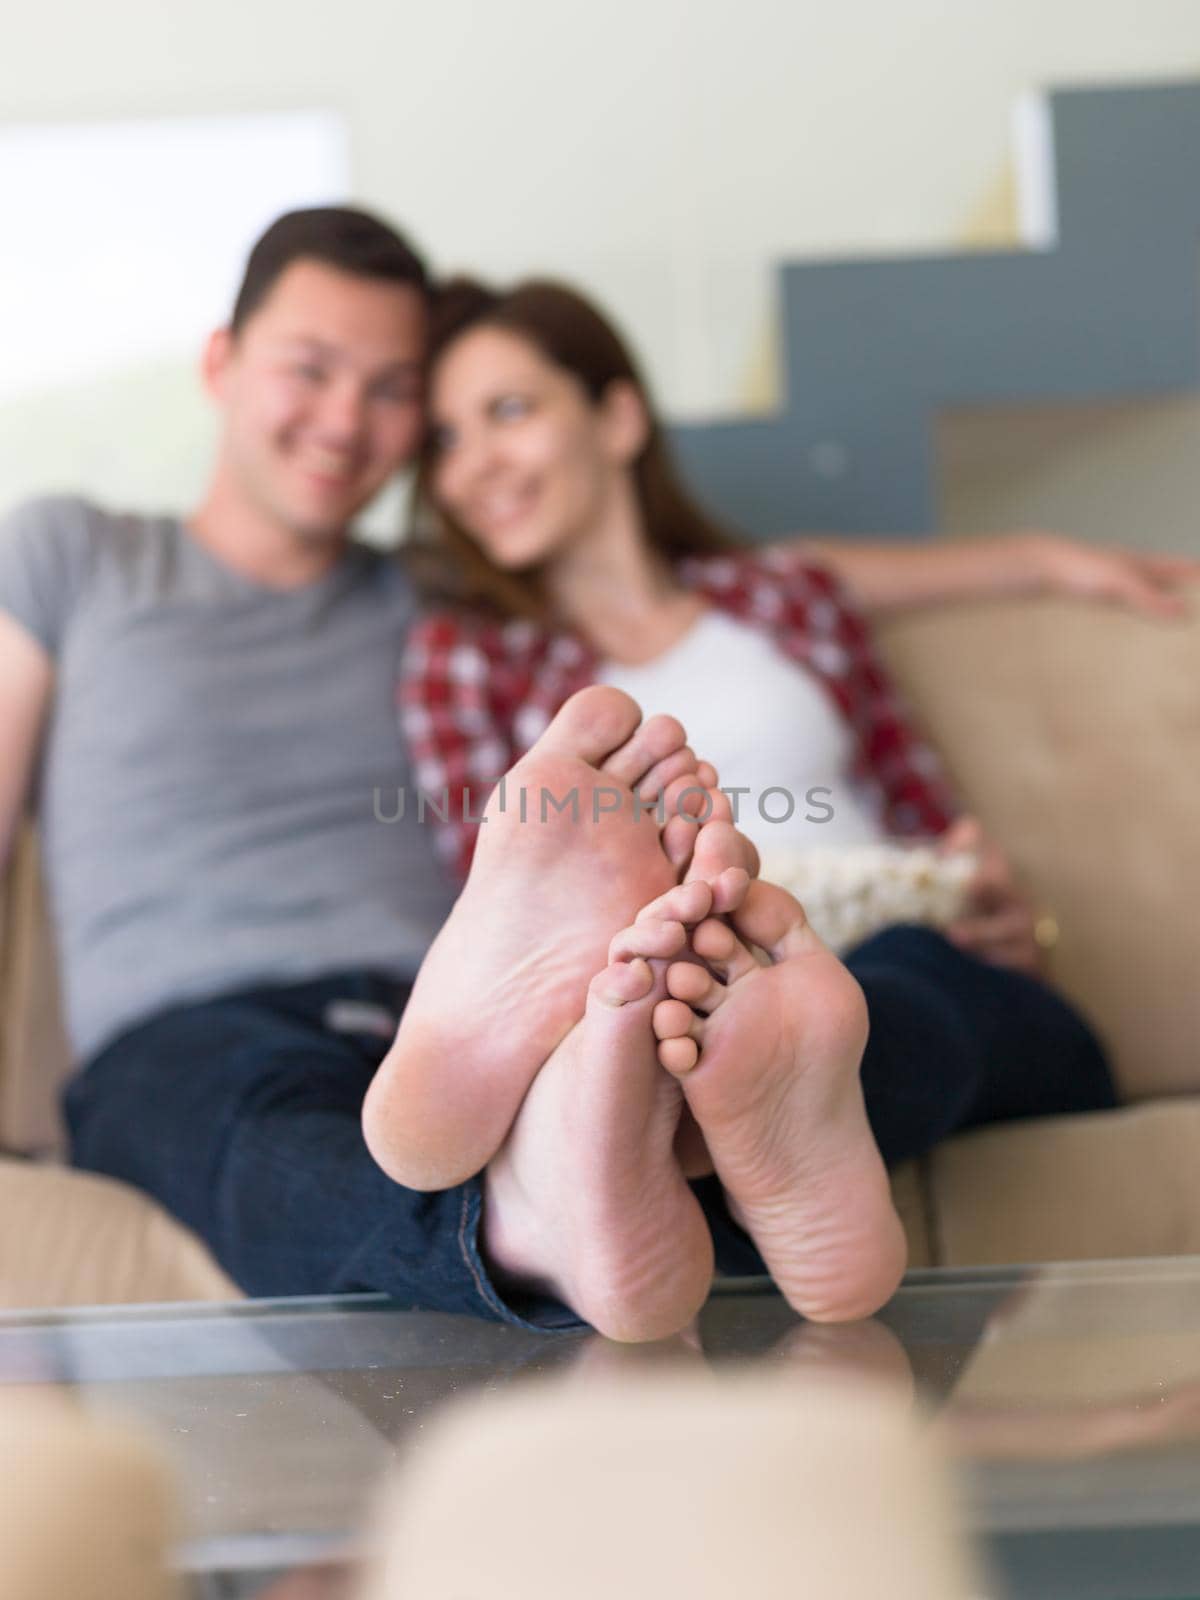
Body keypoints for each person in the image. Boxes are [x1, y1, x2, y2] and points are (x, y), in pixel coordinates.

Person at [0, 207, 1192, 1340]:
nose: (346, 418)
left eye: (390, 390)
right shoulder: (79, 554)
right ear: (221, 361)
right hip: (205, 1021)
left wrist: (1042, 559)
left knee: (780, 1021)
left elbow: (752, 581)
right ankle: (540, 1214)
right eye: (309, 368)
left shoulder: (431, 595)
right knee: (270, 1131)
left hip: (436, 1006)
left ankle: (605, 1164)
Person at [382, 274, 1136, 1209]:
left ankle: (754, 1105)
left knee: (888, 986)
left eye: (508, 410)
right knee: (699, 1037)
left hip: (907, 960)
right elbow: (500, 904)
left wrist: (1006, 912)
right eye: (444, 441)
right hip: (687, 1000)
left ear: (617, 418)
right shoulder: (467, 659)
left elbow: (930, 823)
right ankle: (740, 1118)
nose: (472, 467)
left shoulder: (787, 597)